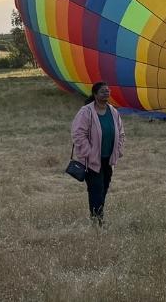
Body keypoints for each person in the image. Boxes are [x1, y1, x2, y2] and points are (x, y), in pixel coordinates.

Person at [70, 81, 125, 227]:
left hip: (108, 159)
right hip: (92, 161)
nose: (106, 93)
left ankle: (98, 216)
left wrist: (118, 149)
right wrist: (89, 153)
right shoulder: (86, 111)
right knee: (96, 189)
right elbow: (78, 134)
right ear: (95, 94)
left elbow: (121, 132)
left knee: (104, 188)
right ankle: (98, 221)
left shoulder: (113, 111)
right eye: (103, 91)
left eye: (108, 90)